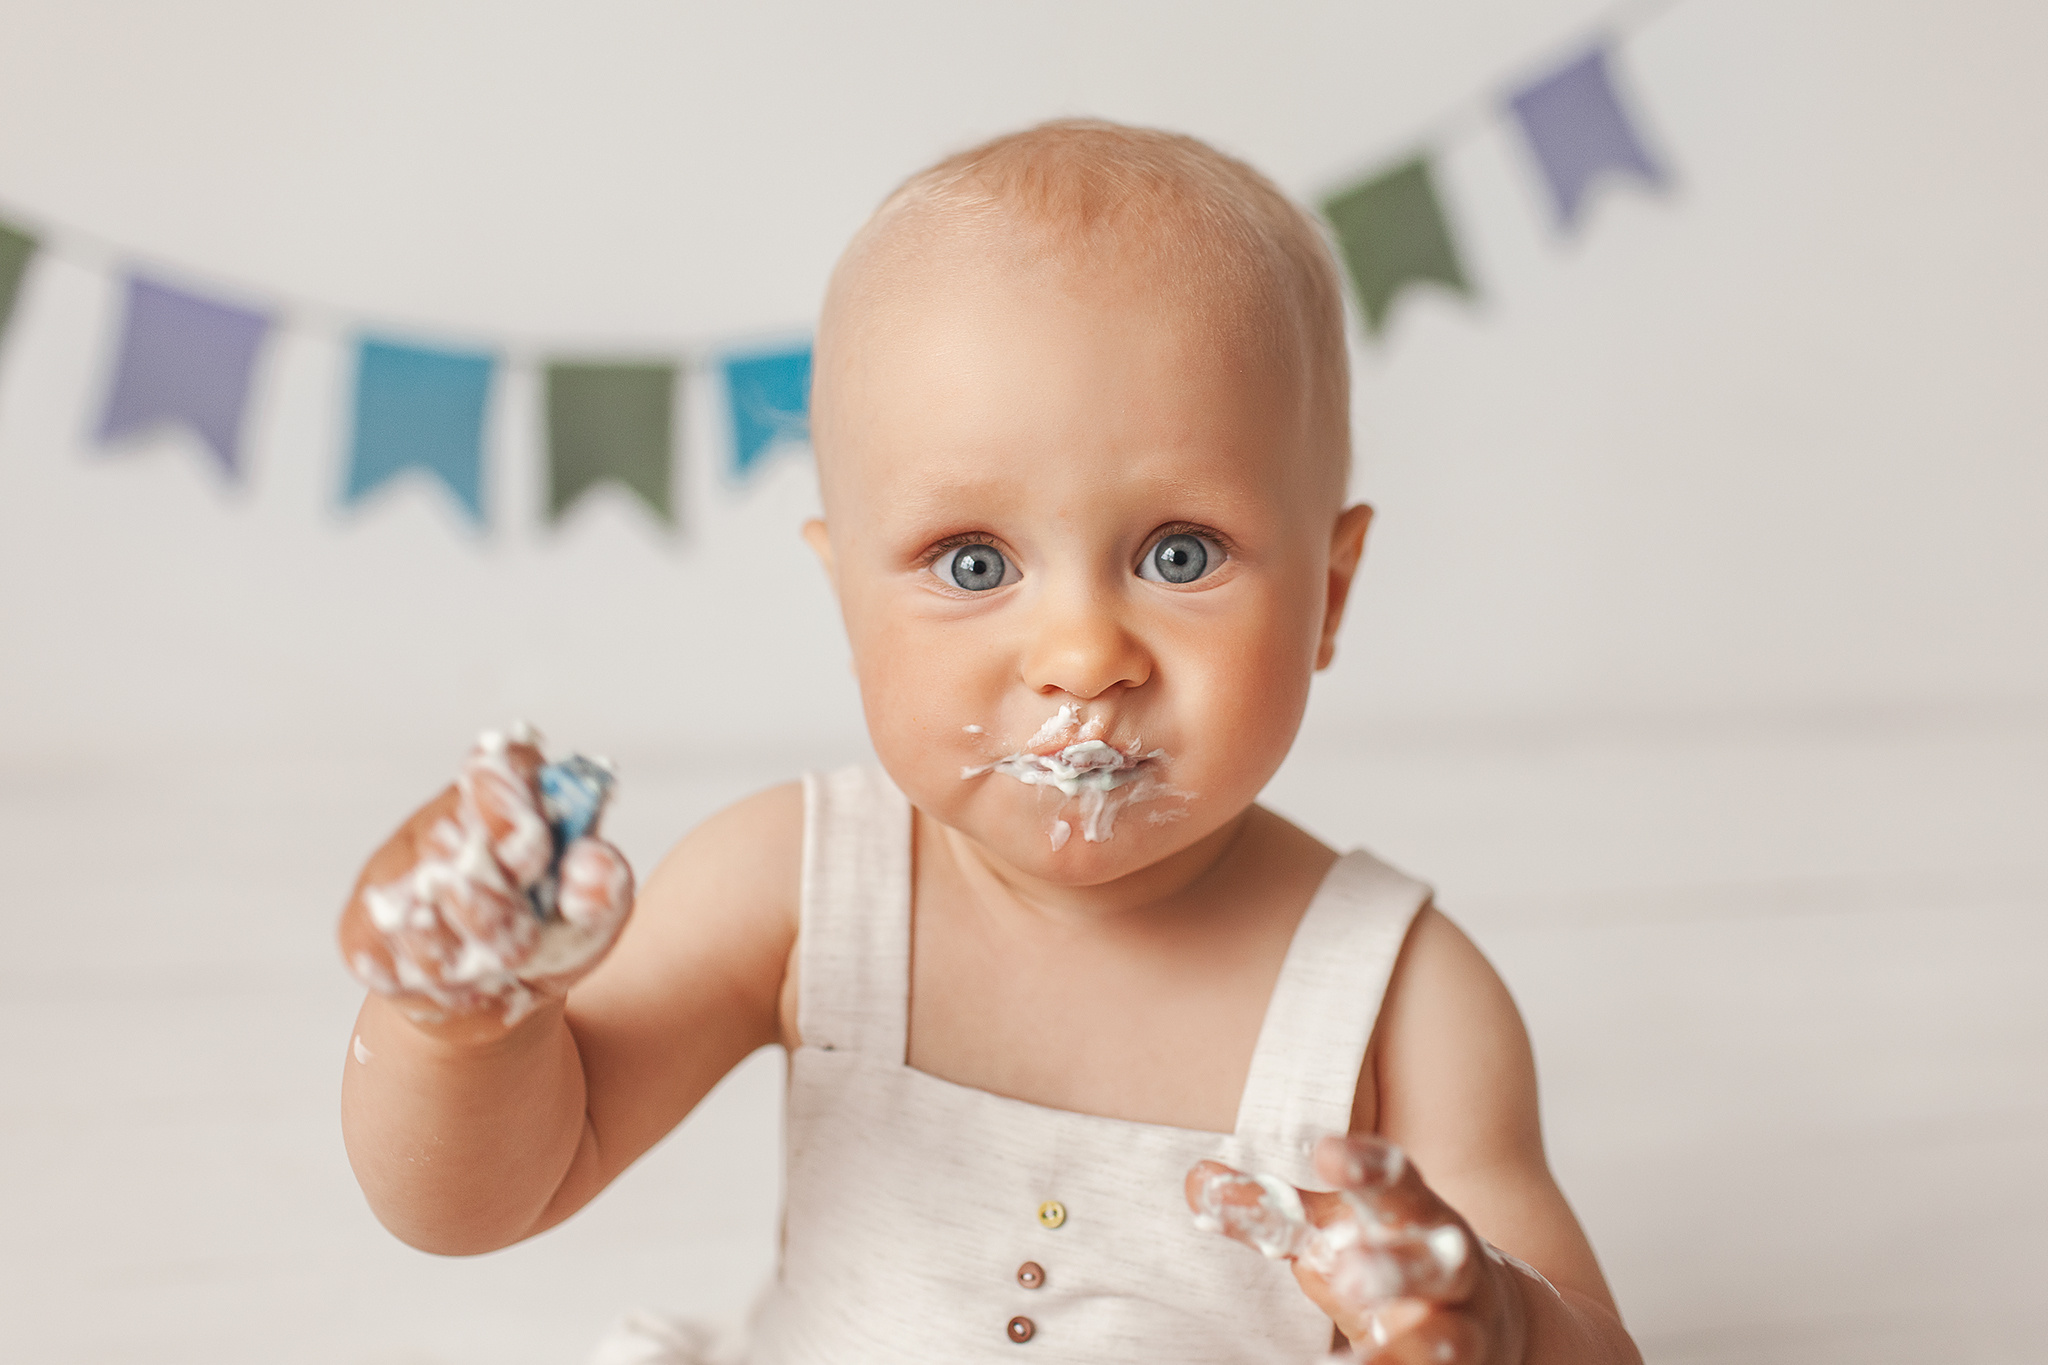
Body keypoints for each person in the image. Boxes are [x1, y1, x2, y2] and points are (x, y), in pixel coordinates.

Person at [337, 119, 1642, 1365]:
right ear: (847, 603)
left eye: (1180, 555)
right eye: (973, 562)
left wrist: (1496, 1322)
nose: (1082, 653)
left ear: (1330, 597)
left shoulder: (1399, 998)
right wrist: (461, 1031)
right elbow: (486, 1199)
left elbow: (1595, 1344)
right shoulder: (796, 885)